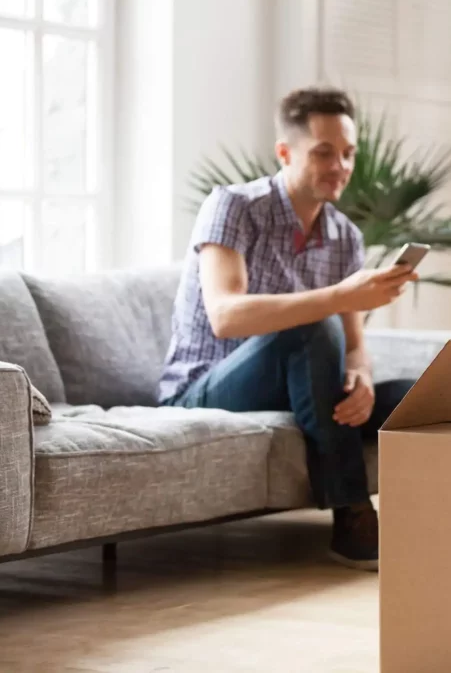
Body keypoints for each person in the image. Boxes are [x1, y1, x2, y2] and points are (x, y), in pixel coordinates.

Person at [158, 87, 418, 571]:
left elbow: (356, 346)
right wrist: (341, 296)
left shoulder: (345, 237)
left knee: (422, 395)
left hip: (302, 385)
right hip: (206, 385)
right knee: (312, 328)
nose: (340, 166)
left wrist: (359, 378)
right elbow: (225, 314)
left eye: (347, 153)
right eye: (324, 152)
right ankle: (351, 510)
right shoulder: (234, 207)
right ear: (285, 152)